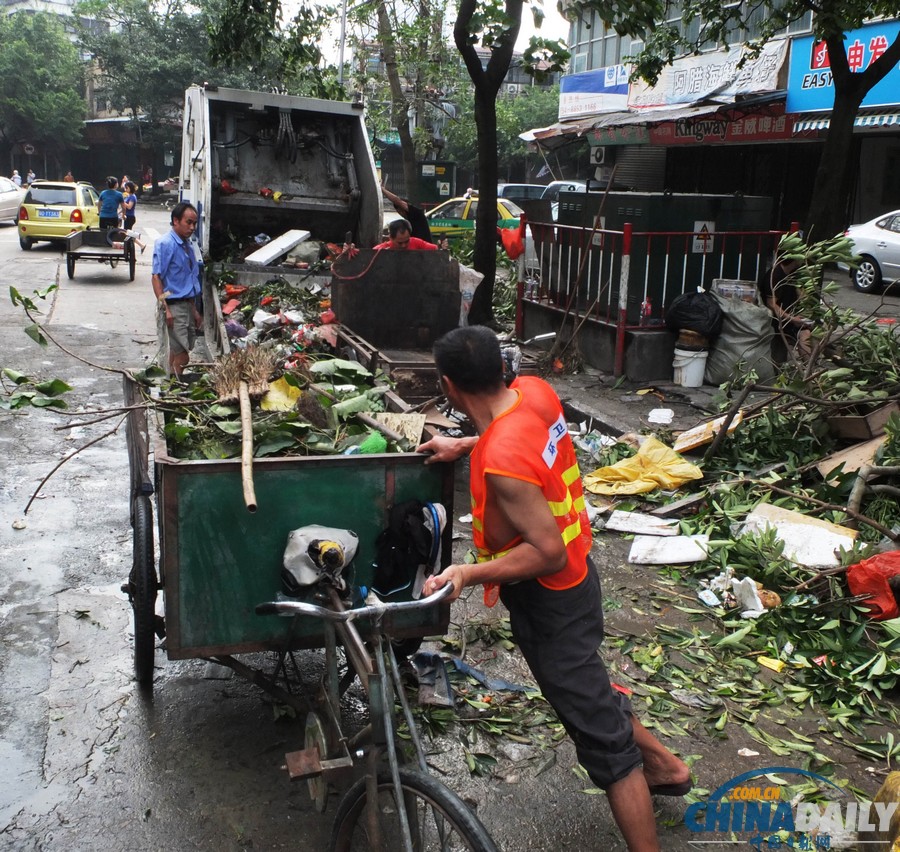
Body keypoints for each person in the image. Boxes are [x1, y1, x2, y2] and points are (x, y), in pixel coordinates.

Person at [417, 327, 691, 852]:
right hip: (579, 582)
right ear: (502, 368)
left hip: (552, 599)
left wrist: (465, 574)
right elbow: (518, 438)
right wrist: (463, 444)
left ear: (449, 386)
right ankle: (667, 768)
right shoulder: (536, 393)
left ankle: (648, 796)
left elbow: (546, 550)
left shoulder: (502, 458)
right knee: (587, 693)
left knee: (605, 745)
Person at [151, 202, 202, 377]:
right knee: (183, 355)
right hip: (174, 306)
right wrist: (166, 308)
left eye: (194, 223)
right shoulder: (166, 244)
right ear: (175, 221)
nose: (192, 227)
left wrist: (194, 310)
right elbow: (157, 277)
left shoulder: (188, 245)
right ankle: (177, 386)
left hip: (186, 305)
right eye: (188, 222)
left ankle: (171, 384)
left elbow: (189, 280)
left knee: (177, 349)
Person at [758, 256, 812, 359]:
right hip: (776, 320)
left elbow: (800, 296)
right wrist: (791, 319)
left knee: (815, 330)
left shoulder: (793, 273)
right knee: (804, 334)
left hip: (790, 316)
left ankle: (813, 365)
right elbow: (772, 304)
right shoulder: (775, 275)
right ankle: (809, 367)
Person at [374, 218, 438, 251]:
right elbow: (373, 252)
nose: (403, 245)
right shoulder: (382, 249)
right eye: (400, 243)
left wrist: (441, 246)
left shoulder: (416, 243)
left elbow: (435, 249)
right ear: (390, 238)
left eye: (407, 241)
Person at [120, 181, 147, 252]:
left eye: (127, 188)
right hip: (127, 217)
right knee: (128, 233)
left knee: (128, 233)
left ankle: (139, 245)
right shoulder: (129, 196)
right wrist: (120, 212)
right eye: (125, 187)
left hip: (130, 217)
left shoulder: (132, 197)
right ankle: (140, 245)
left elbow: (129, 207)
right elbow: (125, 207)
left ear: (130, 188)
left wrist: (122, 202)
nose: (125, 189)